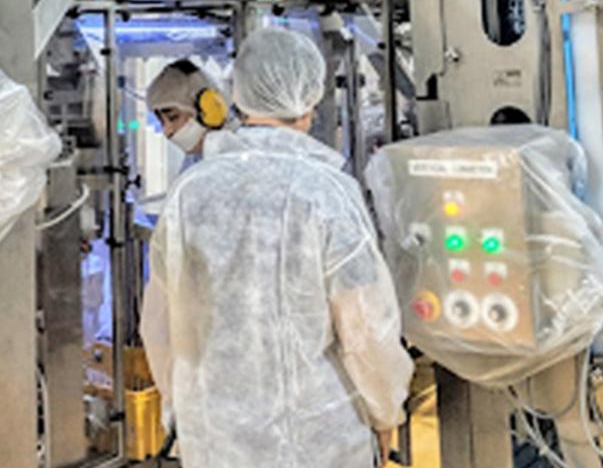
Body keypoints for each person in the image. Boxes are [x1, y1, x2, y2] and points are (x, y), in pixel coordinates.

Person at [140, 27, 412, 467]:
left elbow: (159, 325)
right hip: (321, 444)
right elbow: (366, 330)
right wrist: (386, 411)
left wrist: (181, 412)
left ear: (237, 96)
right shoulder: (326, 193)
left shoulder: (189, 193)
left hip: (214, 442)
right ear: (310, 100)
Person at [146, 59, 231, 156]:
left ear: (209, 108)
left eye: (173, 117)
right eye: (162, 122)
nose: (167, 132)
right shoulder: (200, 158)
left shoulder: (234, 157)